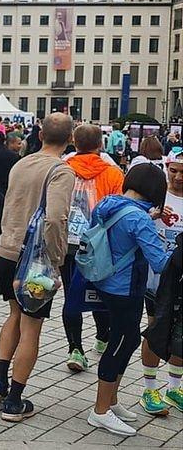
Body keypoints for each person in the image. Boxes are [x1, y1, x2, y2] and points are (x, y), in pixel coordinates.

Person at [0, 112, 76, 421]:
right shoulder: (61, 171)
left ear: (39, 135)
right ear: (70, 140)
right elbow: (55, 218)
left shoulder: (21, 163)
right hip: (36, 260)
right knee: (32, 326)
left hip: (8, 250)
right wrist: (56, 258)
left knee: (14, 314)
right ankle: (14, 399)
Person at [85, 164, 172, 436]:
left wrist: (149, 215)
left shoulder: (107, 203)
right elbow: (160, 262)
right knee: (120, 344)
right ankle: (100, 411)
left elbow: (123, 222)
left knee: (129, 339)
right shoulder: (139, 219)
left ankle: (111, 401)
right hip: (126, 288)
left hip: (106, 280)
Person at [61, 124, 124, 372]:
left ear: (74, 143)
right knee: (102, 293)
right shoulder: (113, 173)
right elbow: (119, 210)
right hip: (100, 245)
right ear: (101, 144)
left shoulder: (63, 168)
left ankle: (75, 349)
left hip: (68, 244)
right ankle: (102, 336)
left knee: (71, 295)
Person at [139, 150, 183, 415]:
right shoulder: (156, 195)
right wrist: (153, 215)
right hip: (156, 278)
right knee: (155, 328)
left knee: (180, 331)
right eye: (173, 171)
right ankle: (149, 388)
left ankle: (174, 386)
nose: (177, 177)